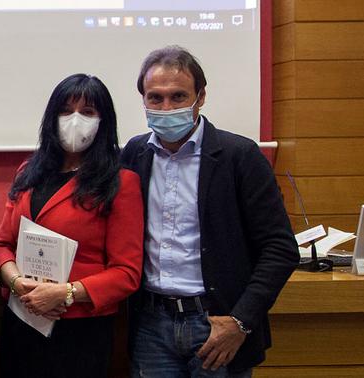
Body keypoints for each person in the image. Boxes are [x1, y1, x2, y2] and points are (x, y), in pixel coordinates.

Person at [122, 46, 299, 377]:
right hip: (151, 325)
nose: (166, 107)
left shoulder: (240, 157)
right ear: (143, 100)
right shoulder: (134, 154)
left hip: (218, 324)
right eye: (155, 98)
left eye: (178, 96)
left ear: (200, 97)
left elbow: (280, 248)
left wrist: (241, 320)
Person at [0, 73, 143, 376]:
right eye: (66, 111)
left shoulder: (121, 182)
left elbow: (127, 273)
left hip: (79, 329)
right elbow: (1, 245)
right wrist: (19, 284)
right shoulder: (28, 172)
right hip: (23, 317)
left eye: (87, 112)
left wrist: (67, 293)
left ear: (103, 121)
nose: (75, 120)